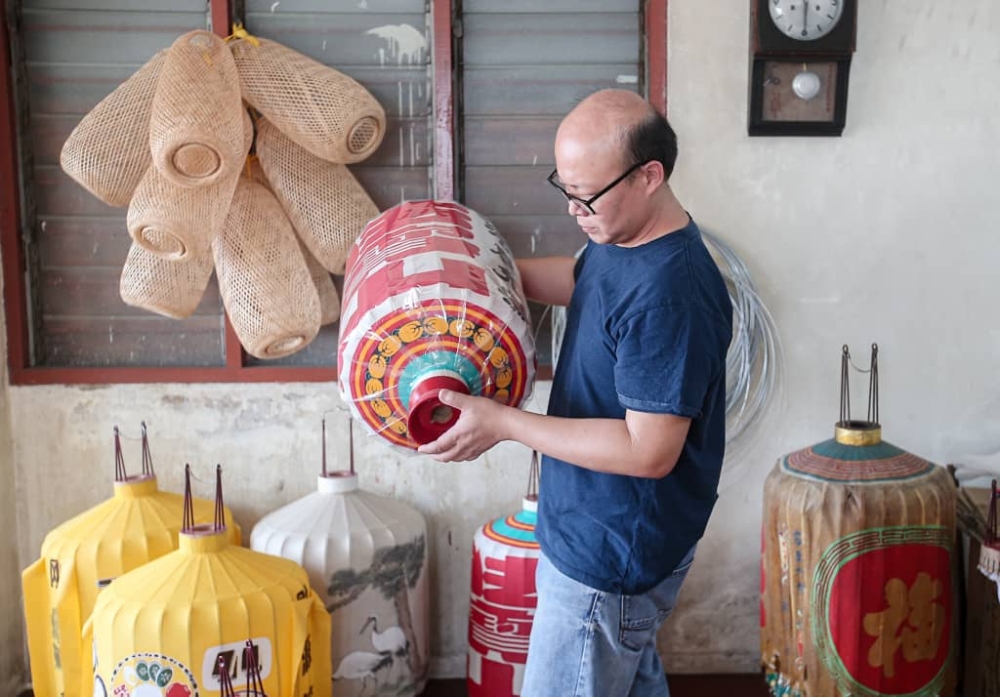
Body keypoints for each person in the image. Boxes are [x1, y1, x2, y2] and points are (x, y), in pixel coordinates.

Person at [418, 88, 733, 696]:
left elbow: (649, 452)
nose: (573, 210)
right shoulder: (621, 236)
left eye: (585, 195)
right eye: (563, 189)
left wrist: (505, 422)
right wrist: (478, 277)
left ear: (649, 175)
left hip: (610, 555)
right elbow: (584, 279)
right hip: (597, 530)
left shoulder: (673, 293)